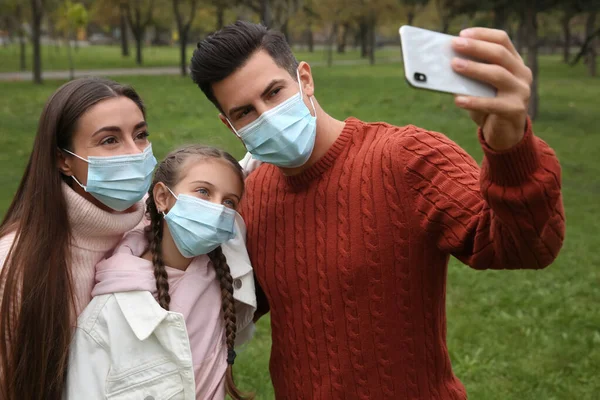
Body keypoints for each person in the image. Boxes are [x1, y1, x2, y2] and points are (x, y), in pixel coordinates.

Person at [189, 21, 565, 399]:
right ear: (229, 124)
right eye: (245, 113)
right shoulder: (249, 196)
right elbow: (224, 309)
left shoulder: (409, 158)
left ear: (305, 79)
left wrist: (511, 147)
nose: (266, 115)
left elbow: (526, 246)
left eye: (274, 92)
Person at [0, 77, 155, 399]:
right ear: (63, 160)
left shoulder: (154, 228)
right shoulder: (15, 264)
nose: (135, 152)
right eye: (110, 140)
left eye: (140, 135)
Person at [65, 144, 256, 399]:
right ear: (163, 198)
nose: (218, 209)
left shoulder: (223, 267)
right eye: (203, 192)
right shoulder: (109, 313)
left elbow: (260, 159)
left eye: (229, 201)